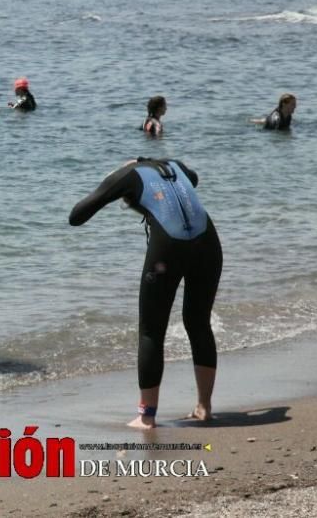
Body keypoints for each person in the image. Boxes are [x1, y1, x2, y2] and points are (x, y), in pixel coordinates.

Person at [69, 158, 221, 429]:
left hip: (168, 250)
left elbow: (76, 216)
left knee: (151, 331)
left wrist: (115, 188)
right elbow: (193, 180)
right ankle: (204, 408)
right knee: (198, 323)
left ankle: (147, 417)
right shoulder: (173, 164)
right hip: (208, 244)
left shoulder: (126, 175)